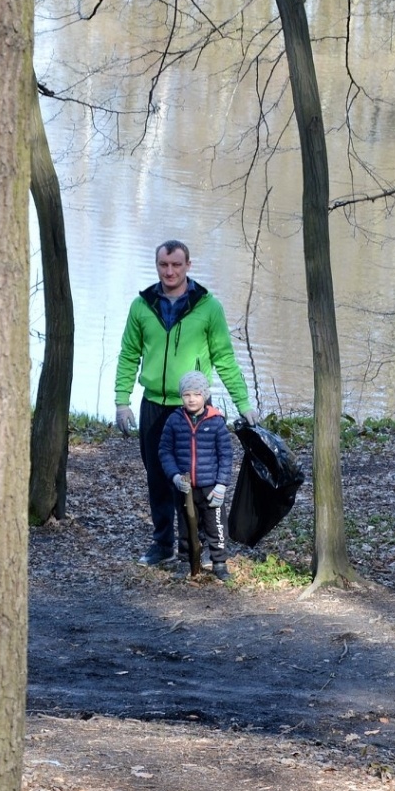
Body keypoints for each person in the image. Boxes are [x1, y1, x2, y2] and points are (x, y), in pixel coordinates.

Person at [113, 239, 259, 567]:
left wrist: (243, 403)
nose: (170, 271)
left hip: (192, 409)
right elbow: (128, 356)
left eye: (176, 265)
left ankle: (204, 547)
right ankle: (163, 545)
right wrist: (122, 401)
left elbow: (224, 358)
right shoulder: (142, 306)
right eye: (164, 265)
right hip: (153, 404)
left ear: (188, 266)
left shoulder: (208, 307)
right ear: (157, 266)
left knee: (197, 479)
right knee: (159, 478)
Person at [159, 371, 235, 580]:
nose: (192, 399)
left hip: (210, 486)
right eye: (187, 395)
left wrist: (221, 484)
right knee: (185, 525)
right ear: (181, 396)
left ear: (205, 396)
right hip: (184, 487)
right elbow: (165, 451)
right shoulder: (174, 421)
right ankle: (186, 561)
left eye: (197, 394)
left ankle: (219, 563)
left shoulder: (216, 422)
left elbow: (226, 455)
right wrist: (174, 476)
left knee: (216, 525)